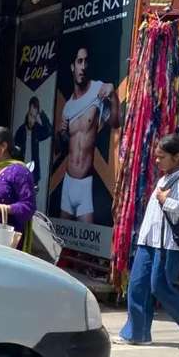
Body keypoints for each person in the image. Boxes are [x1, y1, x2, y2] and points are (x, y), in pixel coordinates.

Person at [118, 135, 179, 346]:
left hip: (168, 245)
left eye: (161, 157)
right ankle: (136, 333)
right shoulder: (165, 178)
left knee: (162, 287)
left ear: (177, 156)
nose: (157, 161)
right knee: (138, 285)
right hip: (149, 241)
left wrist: (167, 201)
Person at [57, 46, 120, 224]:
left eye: (86, 61)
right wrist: (61, 133)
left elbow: (115, 123)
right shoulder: (68, 106)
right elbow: (64, 146)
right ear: (73, 67)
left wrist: (113, 97)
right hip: (68, 182)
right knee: (58, 237)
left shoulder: (98, 90)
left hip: (85, 183)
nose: (83, 67)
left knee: (88, 237)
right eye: (79, 61)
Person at [13, 96, 52, 185]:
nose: (31, 120)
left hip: (33, 175)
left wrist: (41, 113)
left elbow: (49, 131)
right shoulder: (21, 131)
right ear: (27, 113)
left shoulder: (37, 131)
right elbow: (14, 153)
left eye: (34, 117)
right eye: (30, 115)